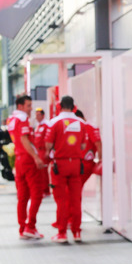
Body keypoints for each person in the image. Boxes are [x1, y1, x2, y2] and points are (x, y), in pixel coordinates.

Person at [45, 96, 88, 243]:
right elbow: (83, 146)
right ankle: (77, 232)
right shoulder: (81, 123)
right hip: (76, 164)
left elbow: (48, 145)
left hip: (60, 165)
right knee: (76, 199)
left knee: (61, 200)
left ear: (60, 105)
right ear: (73, 106)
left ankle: (62, 233)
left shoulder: (54, 122)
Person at [7, 95, 46, 239]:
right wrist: (36, 157)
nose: (31, 109)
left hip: (19, 160)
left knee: (22, 197)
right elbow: (24, 139)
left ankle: (23, 228)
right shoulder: (23, 119)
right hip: (28, 160)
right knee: (37, 194)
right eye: (29, 105)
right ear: (21, 106)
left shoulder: (12, 119)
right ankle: (30, 227)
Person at [74, 110, 102, 187]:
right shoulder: (77, 128)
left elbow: (98, 144)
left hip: (85, 163)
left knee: (76, 187)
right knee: (74, 189)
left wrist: (100, 160)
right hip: (76, 162)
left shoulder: (89, 127)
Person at [32, 108, 52, 197]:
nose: (36, 117)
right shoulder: (38, 126)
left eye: (38, 115)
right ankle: (42, 189)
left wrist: (48, 151)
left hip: (43, 150)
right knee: (39, 171)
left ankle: (46, 190)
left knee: (43, 171)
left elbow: (49, 139)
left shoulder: (46, 125)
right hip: (38, 150)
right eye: (36, 115)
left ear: (43, 115)